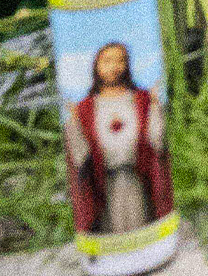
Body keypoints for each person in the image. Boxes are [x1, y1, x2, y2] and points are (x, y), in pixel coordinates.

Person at [65, 41, 174, 236]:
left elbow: (157, 141)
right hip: (105, 186)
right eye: (107, 61)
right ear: (96, 66)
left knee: (142, 226)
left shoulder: (142, 99)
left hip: (138, 180)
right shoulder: (85, 108)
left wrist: (156, 106)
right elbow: (80, 157)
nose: (114, 67)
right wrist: (73, 123)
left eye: (120, 60)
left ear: (127, 65)